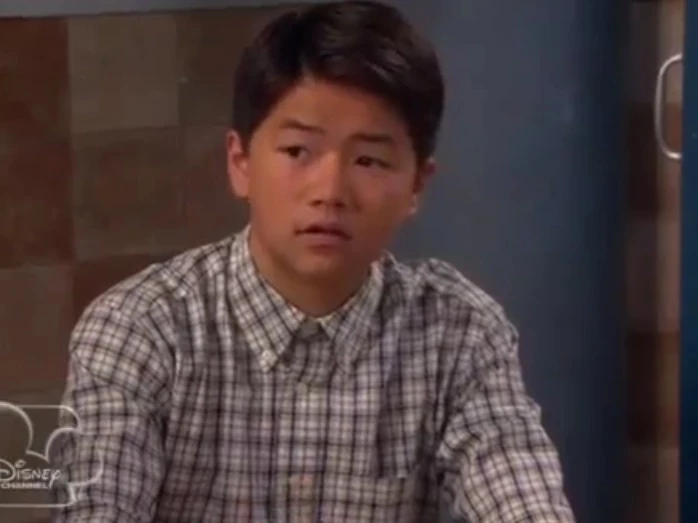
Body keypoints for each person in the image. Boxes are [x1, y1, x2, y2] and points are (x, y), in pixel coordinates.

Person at [50, 1, 575, 521]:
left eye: (369, 159)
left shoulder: (458, 334)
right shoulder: (139, 331)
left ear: (417, 185)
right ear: (240, 162)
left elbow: (519, 493)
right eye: (298, 152)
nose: (330, 192)